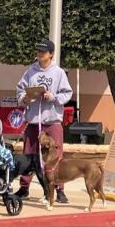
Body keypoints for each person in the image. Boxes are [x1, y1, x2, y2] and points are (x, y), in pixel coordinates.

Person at [15, 38, 72, 203]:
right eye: (38, 51)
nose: (40, 54)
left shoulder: (58, 73)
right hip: (33, 120)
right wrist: (26, 98)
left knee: (55, 155)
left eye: (43, 52)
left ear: (51, 54)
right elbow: (20, 90)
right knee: (29, 154)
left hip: (52, 120)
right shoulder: (30, 71)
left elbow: (67, 94)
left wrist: (53, 97)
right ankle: (24, 187)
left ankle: (58, 189)